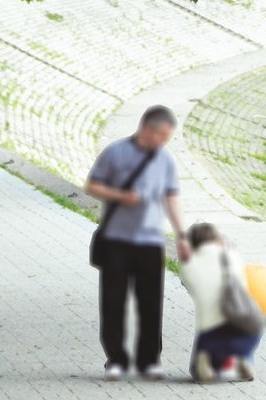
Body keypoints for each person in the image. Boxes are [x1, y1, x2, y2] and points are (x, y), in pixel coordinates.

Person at [84, 105, 189, 382]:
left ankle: (149, 361)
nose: (164, 142)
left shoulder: (165, 159)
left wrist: (181, 234)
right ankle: (116, 360)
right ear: (147, 129)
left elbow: (171, 197)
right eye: (162, 136)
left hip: (151, 241)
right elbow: (92, 186)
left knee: (151, 304)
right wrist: (119, 196)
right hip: (117, 240)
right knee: (113, 302)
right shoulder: (115, 152)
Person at [180, 223, 262, 383]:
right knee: (240, 328)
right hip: (250, 330)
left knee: (208, 331)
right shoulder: (234, 258)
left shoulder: (192, 268)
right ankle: (242, 361)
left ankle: (205, 364)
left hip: (215, 336)